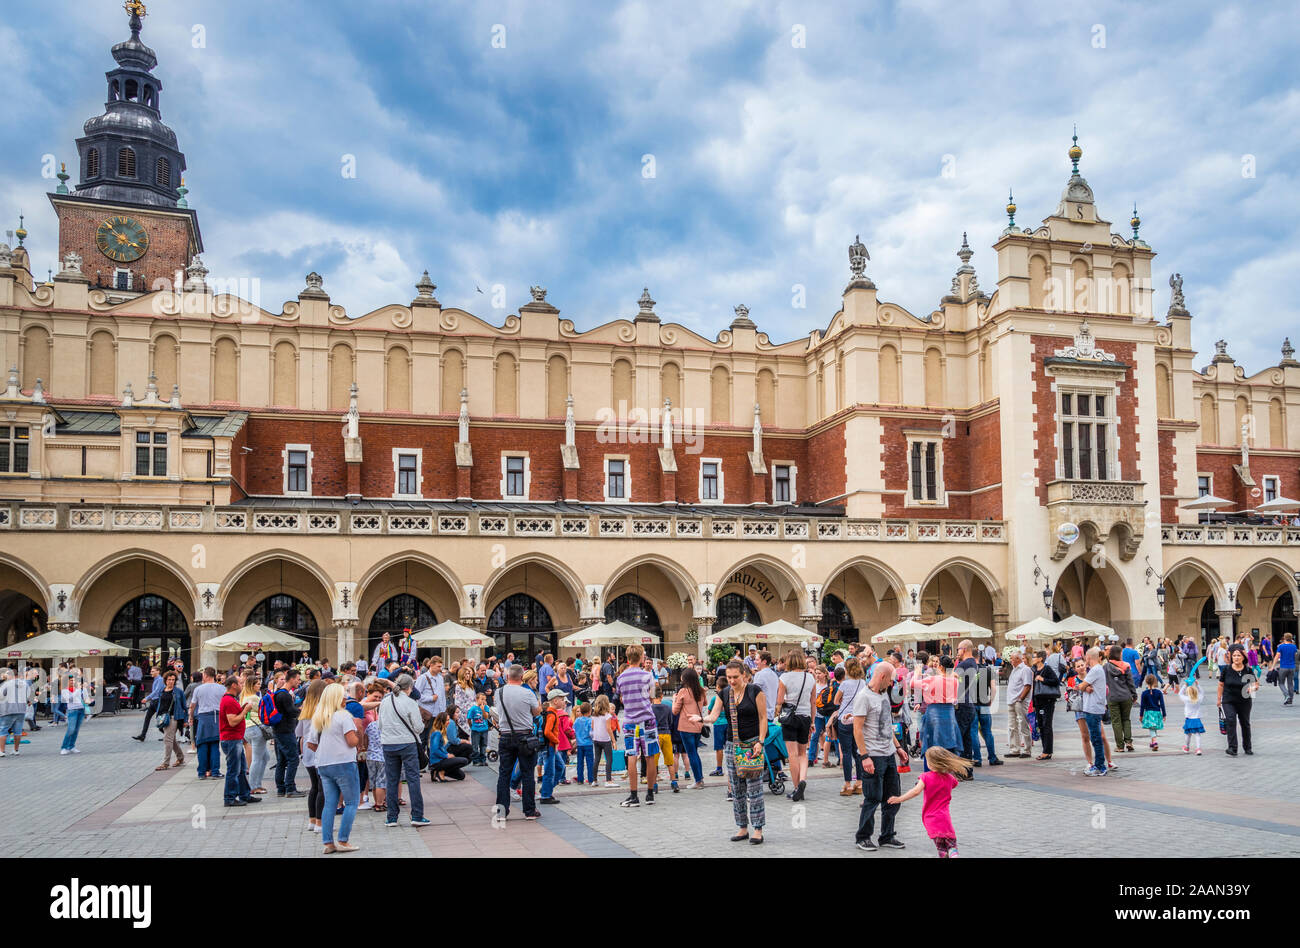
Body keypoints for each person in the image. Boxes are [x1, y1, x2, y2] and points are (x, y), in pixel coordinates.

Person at [695, 659, 767, 844]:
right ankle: (742, 827)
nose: (732, 681)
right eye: (729, 677)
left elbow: (763, 718)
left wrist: (760, 741)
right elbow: (714, 715)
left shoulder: (755, 691)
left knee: (755, 788)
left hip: (752, 745)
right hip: (732, 745)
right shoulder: (724, 693)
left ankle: (757, 829)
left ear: (744, 675)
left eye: (735, 677)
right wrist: (702, 719)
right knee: (736, 789)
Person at [852, 662, 910, 852]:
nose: (892, 685)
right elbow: (857, 730)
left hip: (888, 754)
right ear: (882, 677)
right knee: (873, 797)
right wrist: (864, 756)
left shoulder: (883, 694)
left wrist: (898, 747)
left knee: (892, 797)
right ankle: (863, 837)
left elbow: (887, 724)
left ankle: (887, 835)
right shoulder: (863, 697)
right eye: (891, 680)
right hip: (873, 755)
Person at [305, 682, 361, 854]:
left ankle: (328, 842)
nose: (346, 698)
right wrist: (358, 737)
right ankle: (343, 840)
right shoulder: (343, 716)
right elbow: (352, 741)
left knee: (329, 803)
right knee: (351, 802)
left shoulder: (319, 716)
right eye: (343, 695)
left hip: (323, 763)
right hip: (344, 762)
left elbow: (311, 744)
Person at [887, 747, 973, 857]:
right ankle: (954, 855)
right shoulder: (950, 778)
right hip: (945, 819)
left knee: (941, 848)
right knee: (951, 846)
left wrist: (899, 799)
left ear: (931, 764)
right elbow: (954, 784)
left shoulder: (926, 777)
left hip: (931, 819)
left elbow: (916, 791)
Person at [379, 673, 431, 827]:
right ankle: (417, 815)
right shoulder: (410, 703)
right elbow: (418, 727)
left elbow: (380, 725)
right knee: (413, 778)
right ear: (409, 688)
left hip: (388, 744)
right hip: (407, 744)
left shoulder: (385, 701)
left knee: (392, 780)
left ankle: (392, 817)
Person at [495, 664, 542, 821]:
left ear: (507, 676)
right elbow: (536, 712)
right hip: (525, 736)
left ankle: (501, 811)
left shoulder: (498, 692)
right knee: (528, 773)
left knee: (504, 774)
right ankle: (529, 810)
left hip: (505, 735)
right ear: (522, 677)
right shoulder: (527, 693)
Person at [616, 644, 659, 807]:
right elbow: (652, 697)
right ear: (641, 658)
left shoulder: (621, 677)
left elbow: (621, 698)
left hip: (630, 722)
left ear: (627, 658)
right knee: (650, 757)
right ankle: (649, 793)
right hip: (647, 720)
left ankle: (633, 795)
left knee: (632, 757)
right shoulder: (648, 676)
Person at [775, 649, 816, 801]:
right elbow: (813, 702)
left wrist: (783, 702)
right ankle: (803, 779)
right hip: (805, 717)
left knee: (792, 755)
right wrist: (812, 721)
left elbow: (779, 701)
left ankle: (797, 787)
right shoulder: (810, 677)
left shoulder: (784, 677)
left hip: (790, 718)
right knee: (803, 753)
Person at [219, 674, 261, 808]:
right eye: (240, 684)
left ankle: (244, 794)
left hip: (236, 738)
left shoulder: (231, 699)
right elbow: (232, 721)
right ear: (233, 685)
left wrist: (241, 709)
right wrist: (245, 711)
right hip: (231, 739)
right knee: (234, 769)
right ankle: (229, 797)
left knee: (241, 769)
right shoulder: (229, 701)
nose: (242, 686)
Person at [918, 655, 963, 770]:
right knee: (948, 746)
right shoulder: (955, 680)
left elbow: (914, 684)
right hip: (949, 714)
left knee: (930, 746)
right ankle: (945, 774)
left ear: (941, 666)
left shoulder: (934, 679)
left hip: (934, 713)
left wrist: (917, 673)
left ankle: (929, 775)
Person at [832, 658, 867, 795]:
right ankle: (860, 782)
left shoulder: (844, 685)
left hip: (844, 720)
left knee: (846, 753)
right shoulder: (863, 683)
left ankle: (847, 784)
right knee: (857, 751)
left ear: (846, 670)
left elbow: (836, 701)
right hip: (857, 719)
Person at [297, 680, 328, 832]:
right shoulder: (322, 710)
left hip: (307, 751)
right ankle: (320, 823)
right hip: (319, 749)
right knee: (322, 788)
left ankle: (312, 820)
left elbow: (300, 734)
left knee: (314, 787)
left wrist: (303, 753)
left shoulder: (305, 710)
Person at [1218, 645, 1257, 757]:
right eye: (1234, 655)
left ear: (1243, 658)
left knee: (1245, 723)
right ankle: (1232, 748)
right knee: (1230, 721)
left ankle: (1247, 747)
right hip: (1228, 700)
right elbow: (1221, 685)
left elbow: (1255, 684)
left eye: (1238, 655)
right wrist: (1218, 699)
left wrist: (1252, 688)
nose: (1236, 657)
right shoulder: (1226, 669)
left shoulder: (1248, 670)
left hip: (1244, 701)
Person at [1076, 648, 1110, 776]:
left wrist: (1082, 686)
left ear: (1089, 658)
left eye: (1086, 657)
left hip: (1093, 708)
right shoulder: (1098, 669)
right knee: (1095, 737)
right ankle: (1099, 765)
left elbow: (1081, 686)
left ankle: (1100, 766)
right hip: (1095, 707)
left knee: (1095, 738)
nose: (1085, 659)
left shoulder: (1095, 670)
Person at [671, 668, 707, 789]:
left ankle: (698, 781)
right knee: (695, 753)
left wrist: (674, 699)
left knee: (691, 753)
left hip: (686, 726)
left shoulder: (683, 691)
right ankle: (700, 778)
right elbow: (705, 703)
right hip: (698, 725)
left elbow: (675, 711)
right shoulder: (701, 691)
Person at [188, 667, 226, 779]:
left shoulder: (199, 689)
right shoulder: (221, 688)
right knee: (214, 745)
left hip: (203, 717)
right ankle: (215, 771)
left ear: (205, 675)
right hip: (216, 717)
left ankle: (201, 772)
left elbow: (192, 705)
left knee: (202, 745)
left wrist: (190, 717)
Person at [272, 669, 305, 797]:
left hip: (280, 730)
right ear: (291, 679)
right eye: (298, 679)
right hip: (285, 731)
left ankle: (281, 788)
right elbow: (291, 712)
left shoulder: (280, 693)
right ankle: (290, 788)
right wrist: (302, 709)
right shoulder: (284, 695)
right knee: (293, 759)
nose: (299, 681)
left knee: (282, 760)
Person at [1104, 645, 1138, 753]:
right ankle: (1128, 742)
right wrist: (1134, 694)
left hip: (1112, 697)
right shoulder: (1125, 666)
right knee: (1126, 719)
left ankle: (1120, 746)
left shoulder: (1106, 667)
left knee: (1116, 721)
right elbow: (1130, 682)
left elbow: (1103, 683)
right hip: (1126, 696)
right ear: (1119, 654)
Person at [240, 674, 269, 794]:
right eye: (257, 684)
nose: (260, 686)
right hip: (255, 728)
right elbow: (262, 712)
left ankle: (257, 784)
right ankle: (253, 786)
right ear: (252, 686)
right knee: (257, 759)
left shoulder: (243, 697)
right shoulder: (254, 698)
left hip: (247, 729)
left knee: (265, 757)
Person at [1030, 650, 1060, 760]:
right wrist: (1033, 702)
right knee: (1041, 726)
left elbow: (1056, 681)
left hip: (1047, 701)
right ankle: (1045, 750)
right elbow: (1033, 688)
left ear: (1040, 659)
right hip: (1038, 702)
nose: (1032, 658)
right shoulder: (1033, 670)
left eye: (1034, 657)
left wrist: (1043, 679)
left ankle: (1047, 751)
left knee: (1047, 725)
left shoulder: (1046, 669)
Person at [153, 669, 185, 770]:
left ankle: (165, 763)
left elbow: (184, 707)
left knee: (167, 739)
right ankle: (180, 757)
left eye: (173, 679)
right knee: (172, 739)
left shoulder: (178, 692)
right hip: (163, 718)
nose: (171, 681)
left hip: (173, 718)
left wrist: (185, 721)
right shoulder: (162, 690)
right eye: (169, 679)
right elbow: (159, 703)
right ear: (165, 680)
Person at [1005, 650, 1034, 758]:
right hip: (1011, 700)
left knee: (1023, 725)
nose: (1011, 660)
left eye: (1012, 658)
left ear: (1018, 659)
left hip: (1019, 701)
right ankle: (1014, 749)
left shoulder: (1025, 669)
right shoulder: (1014, 670)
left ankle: (1027, 750)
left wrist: (1020, 699)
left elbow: (1027, 685)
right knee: (1012, 726)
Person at [428, 712, 469, 782]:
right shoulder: (437, 733)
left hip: (441, 759)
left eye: (449, 719)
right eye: (447, 720)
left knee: (461, 776)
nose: (449, 722)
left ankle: (436, 771)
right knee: (464, 761)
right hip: (437, 761)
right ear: (442, 721)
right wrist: (446, 755)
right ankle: (439, 771)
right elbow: (434, 750)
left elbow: (441, 748)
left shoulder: (442, 732)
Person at [590, 693, 619, 787]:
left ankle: (594, 780)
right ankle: (608, 780)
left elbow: (592, 727)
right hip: (605, 740)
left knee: (597, 759)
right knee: (609, 759)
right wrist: (614, 741)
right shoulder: (607, 716)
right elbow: (609, 729)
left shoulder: (594, 715)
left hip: (596, 739)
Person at [131, 666, 164, 742]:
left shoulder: (160, 680)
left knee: (160, 720)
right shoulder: (156, 679)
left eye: (153, 671)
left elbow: (157, 691)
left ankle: (168, 735)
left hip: (158, 702)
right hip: (154, 702)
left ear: (158, 671)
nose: (151, 672)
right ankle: (143, 735)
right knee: (147, 718)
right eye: (151, 671)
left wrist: (147, 698)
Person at [0, 668, 27, 757]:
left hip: (8, 710)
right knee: (18, 731)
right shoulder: (24, 684)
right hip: (21, 710)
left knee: (3, 730)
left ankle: (2, 751)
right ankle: (16, 750)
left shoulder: (6, 684)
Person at [1138, 674, 1166, 751]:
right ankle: (1152, 741)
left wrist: (1141, 715)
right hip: (1157, 712)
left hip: (1148, 713)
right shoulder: (1159, 692)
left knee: (1151, 728)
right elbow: (1162, 704)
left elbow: (1142, 706)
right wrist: (1164, 714)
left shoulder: (1144, 693)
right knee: (1154, 727)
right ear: (1155, 682)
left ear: (1146, 682)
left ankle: (1155, 742)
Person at [572, 701, 596, 784]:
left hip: (579, 744)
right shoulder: (590, 721)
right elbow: (591, 733)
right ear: (590, 711)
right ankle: (591, 779)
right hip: (588, 743)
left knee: (580, 762)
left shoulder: (577, 720)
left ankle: (580, 779)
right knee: (590, 762)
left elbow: (573, 731)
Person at [467, 692, 493, 765]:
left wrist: (483, 710)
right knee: (475, 746)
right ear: (477, 699)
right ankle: (476, 760)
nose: (483, 701)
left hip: (484, 729)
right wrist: (471, 727)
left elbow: (486, 717)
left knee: (483, 745)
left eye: (484, 699)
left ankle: (483, 760)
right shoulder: (473, 709)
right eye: (481, 699)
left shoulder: (486, 707)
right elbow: (469, 719)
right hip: (476, 730)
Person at [1179, 681, 1205, 754]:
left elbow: (1180, 693)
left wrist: (1185, 685)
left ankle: (1187, 747)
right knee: (1197, 734)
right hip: (1197, 719)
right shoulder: (1198, 699)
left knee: (1188, 734)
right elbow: (1202, 692)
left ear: (1188, 693)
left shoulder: (1187, 699)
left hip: (1189, 719)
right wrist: (1198, 684)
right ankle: (1198, 749)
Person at [1271, 632, 1296, 705]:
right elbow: (1294, 655)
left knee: (1281, 683)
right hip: (1292, 667)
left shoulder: (1281, 647)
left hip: (1283, 667)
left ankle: (1286, 695)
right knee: (1290, 683)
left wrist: (1273, 666)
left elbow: (1277, 657)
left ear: (1284, 638)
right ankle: (1290, 700)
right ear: (1291, 638)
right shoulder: (1294, 647)